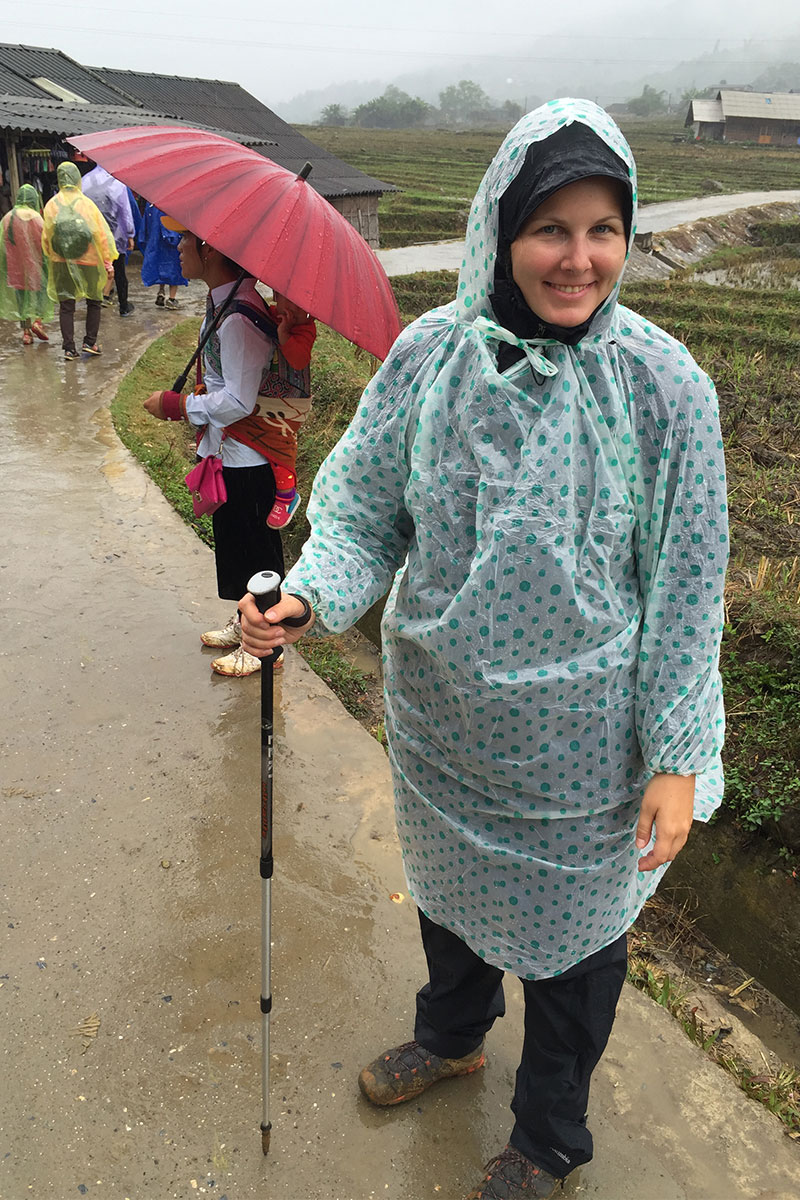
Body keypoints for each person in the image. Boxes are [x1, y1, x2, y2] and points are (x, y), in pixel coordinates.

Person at [238, 98, 728, 1200]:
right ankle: (451, 1034)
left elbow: (687, 590)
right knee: (451, 906)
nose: (578, 257)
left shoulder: (662, 390)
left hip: (580, 763)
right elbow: (363, 514)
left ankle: (548, 1137)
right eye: (550, 227)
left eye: (603, 228)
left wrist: (677, 755)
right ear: (499, 230)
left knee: (573, 963)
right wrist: (308, 599)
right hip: (443, 732)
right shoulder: (431, 356)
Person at [141, 223, 285, 678]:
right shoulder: (224, 304)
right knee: (237, 544)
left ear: (210, 249)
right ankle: (245, 622)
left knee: (256, 552)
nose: (178, 245)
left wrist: (181, 405)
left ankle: (265, 649)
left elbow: (239, 400)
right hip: (230, 452)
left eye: (185, 239)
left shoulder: (240, 316)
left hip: (249, 457)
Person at [41, 161, 117, 361]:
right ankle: (90, 342)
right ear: (77, 179)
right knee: (94, 300)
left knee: (66, 305)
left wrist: (53, 257)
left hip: (61, 262)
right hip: (89, 261)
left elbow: (46, 237)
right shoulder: (87, 204)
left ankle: (68, 348)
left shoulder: (51, 204)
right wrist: (107, 262)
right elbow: (101, 235)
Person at [261, 290, 316, 527]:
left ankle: (287, 495)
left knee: (281, 441)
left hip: (292, 399)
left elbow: (298, 360)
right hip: (273, 394)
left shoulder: (306, 329)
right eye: (284, 297)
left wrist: (284, 335)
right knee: (263, 437)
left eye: (300, 303)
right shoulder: (274, 315)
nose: (291, 307)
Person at [0, 183, 53, 345]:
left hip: (15, 267)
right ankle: (38, 321)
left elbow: (3, 243)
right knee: (41, 293)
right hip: (36, 266)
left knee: (21, 298)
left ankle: (26, 333)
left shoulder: (8, 217)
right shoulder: (36, 218)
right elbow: (45, 242)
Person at [82, 163, 136, 317]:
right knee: (119, 271)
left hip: (90, 236)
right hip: (114, 237)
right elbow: (125, 212)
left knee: (93, 271)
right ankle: (124, 306)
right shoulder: (118, 183)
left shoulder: (84, 181)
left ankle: (93, 304)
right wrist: (130, 235)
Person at [140, 202, 187, 310]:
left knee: (159, 266)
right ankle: (172, 299)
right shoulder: (175, 202)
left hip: (155, 240)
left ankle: (161, 291)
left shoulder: (152, 202)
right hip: (172, 240)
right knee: (174, 269)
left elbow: (146, 223)